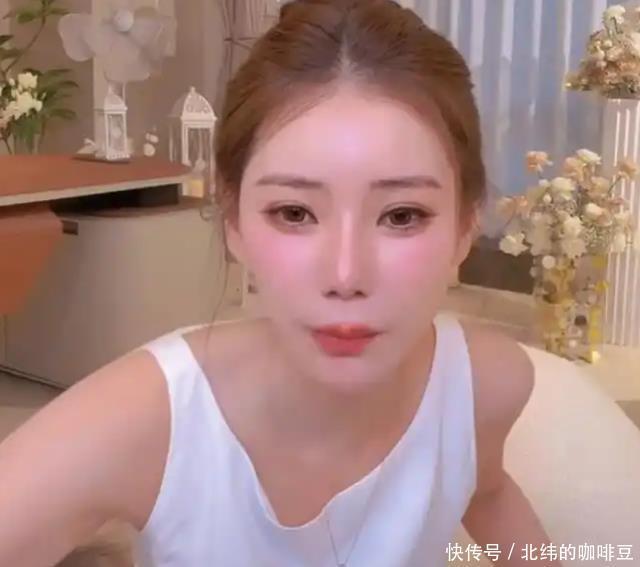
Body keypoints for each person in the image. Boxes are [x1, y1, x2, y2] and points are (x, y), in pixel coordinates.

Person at [0, 1, 561, 565]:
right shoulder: (142, 420)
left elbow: (485, 491)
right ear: (234, 221)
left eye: (401, 215)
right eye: (294, 213)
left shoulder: (485, 385)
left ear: (466, 227)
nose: (345, 276)